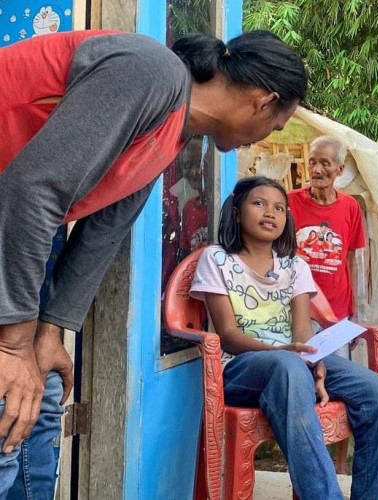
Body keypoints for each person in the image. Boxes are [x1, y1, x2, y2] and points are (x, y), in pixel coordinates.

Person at [0, 30, 306, 497]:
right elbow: (31, 190)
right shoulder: (152, 72)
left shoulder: (173, 133)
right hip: (12, 217)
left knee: (39, 403)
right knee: (8, 400)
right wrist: (14, 347)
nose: (265, 137)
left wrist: (50, 333)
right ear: (265, 102)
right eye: (276, 126)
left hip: (18, 231)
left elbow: (103, 232)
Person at [189, 177, 378, 500]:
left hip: (294, 362)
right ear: (236, 211)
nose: (270, 213)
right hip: (240, 367)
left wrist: (314, 363)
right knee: (287, 365)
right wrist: (288, 353)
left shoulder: (295, 266)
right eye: (258, 203)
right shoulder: (216, 260)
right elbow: (228, 336)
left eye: (279, 208)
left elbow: (303, 333)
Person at [288, 136, 366, 322]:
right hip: (297, 310)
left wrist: (354, 309)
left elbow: (352, 261)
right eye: (312, 163)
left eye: (325, 163)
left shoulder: (350, 207)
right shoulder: (288, 202)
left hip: (338, 312)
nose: (316, 170)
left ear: (339, 170)